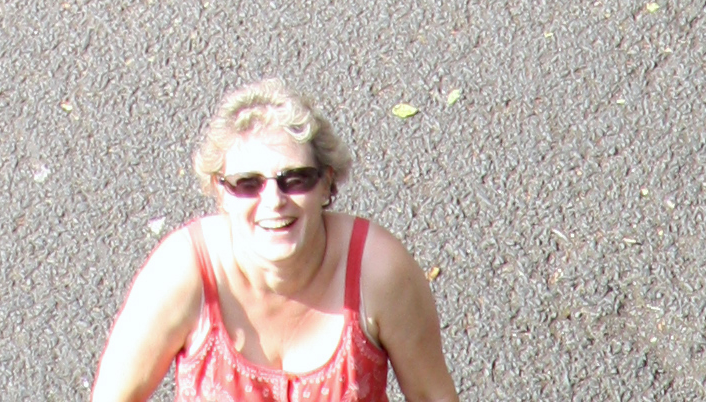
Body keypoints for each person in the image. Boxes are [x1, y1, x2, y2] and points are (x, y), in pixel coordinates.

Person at [91, 79, 460, 402]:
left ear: (327, 183)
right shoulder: (183, 272)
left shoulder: (378, 272)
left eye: (295, 179)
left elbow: (433, 395)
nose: (273, 200)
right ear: (219, 193)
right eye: (247, 183)